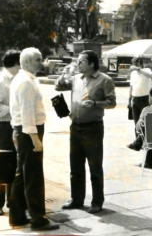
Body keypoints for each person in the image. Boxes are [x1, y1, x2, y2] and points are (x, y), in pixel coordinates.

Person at [56, 50, 116, 214]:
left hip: (93, 128)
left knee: (94, 166)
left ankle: (97, 201)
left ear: (91, 63)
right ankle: (77, 199)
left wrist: (96, 103)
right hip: (75, 126)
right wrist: (62, 76)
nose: (78, 64)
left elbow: (112, 102)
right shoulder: (76, 78)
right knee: (75, 165)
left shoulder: (105, 80)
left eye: (81, 61)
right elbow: (58, 87)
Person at [9, 47, 59, 230]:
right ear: (27, 62)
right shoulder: (26, 82)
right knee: (33, 177)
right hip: (29, 132)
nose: (42, 61)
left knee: (22, 175)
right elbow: (27, 114)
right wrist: (35, 139)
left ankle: (18, 215)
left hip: (24, 131)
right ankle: (38, 219)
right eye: (38, 59)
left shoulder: (26, 79)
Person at [0, 50, 21, 216]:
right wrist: (15, 110)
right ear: (16, 63)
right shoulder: (0, 81)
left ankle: (13, 200)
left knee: (15, 163)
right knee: (1, 162)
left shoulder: (18, 79)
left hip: (17, 125)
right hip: (4, 126)